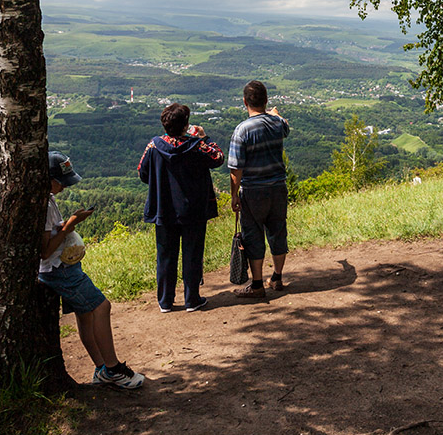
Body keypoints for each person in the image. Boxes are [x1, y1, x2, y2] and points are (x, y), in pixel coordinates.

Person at [38, 150, 144, 389]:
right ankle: (114, 368)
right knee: (102, 306)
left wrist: (69, 223)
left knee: (85, 315)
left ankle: (101, 368)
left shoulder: (48, 199)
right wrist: (70, 226)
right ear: (47, 178)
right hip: (58, 269)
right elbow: (44, 250)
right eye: (60, 182)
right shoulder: (43, 204)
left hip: (60, 266)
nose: (64, 187)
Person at [137, 103, 225, 312]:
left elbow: (142, 172)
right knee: (192, 253)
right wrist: (205, 138)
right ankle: (191, 299)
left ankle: (165, 301)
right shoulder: (196, 146)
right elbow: (218, 158)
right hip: (193, 209)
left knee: (165, 255)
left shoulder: (154, 146)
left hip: (164, 208)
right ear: (186, 125)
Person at [228, 80, 291, 299]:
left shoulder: (242, 130)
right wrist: (276, 114)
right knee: (277, 230)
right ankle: (277, 277)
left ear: (245, 102)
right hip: (278, 187)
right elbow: (285, 126)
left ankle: (257, 284)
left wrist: (234, 195)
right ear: (265, 101)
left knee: (253, 234)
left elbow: (236, 169)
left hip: (253, 191)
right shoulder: (276, 123)